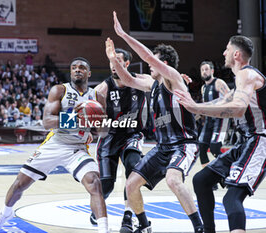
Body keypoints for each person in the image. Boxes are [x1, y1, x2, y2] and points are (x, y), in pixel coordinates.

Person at [106, 12, 204, 233]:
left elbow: (149, 57)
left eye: (154, 60)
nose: (148, 63)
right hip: (162, 148)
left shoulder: (173, 79)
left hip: (183, 144)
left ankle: (200, 228)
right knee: (131, 184)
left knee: (172, 180)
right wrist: (113, 59)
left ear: (164, 63)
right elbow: (128, 79)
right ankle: (144, 225)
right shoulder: (153, 85)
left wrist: (123, 35)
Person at [0, 57, 110, 233]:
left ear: (89, 73)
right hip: (55, 143)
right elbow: (47, 122)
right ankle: (5, 214)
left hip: (77, 148)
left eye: (82, 68)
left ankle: (103, 229)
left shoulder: (97, 96)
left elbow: (104, 131)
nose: (77, 70)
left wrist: (96, 126)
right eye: (74, 67)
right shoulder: (59, 90)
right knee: (20, 184)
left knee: (94, 183)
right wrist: (75, 118)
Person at [175, 35, 266, 233]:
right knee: (201, 180)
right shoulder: (241, 79)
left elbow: (238, 108)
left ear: (236, 54)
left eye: (226, 49)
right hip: (245, 143)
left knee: (231, 198)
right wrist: (194, 107)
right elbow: (222, 102)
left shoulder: (246, 74)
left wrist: (194, 107)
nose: (223, 53)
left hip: (260, 141)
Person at [89, 48, 148, 233]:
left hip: (132, 135)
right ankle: (96, 210)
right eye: (111, 62)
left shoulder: (141, 80)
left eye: (118, 61)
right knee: (106, 185)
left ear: (127, 64)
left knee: (133, 170)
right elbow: (95, 122)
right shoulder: (101, 90)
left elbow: (163, 80)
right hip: (109, 138)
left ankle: (128, 217)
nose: (114, 65)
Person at [197, 61, 230, 168]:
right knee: (201, 148)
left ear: (212, 71)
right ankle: (211, 182)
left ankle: (229, 169)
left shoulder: (219, 83)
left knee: (215, 148)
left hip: (220, 120)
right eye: (202, 70)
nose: (204, 72)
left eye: (206, 69)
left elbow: (231, 98)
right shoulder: (203, 88)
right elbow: (205, 107)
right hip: (208, 121)